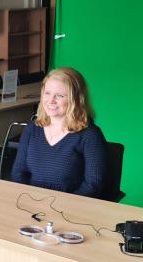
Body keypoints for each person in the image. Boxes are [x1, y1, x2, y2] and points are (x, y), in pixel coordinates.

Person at [10, 67, 108, 198]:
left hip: (70, 209)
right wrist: (30, 201)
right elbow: (18, 174)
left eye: (59, 96)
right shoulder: (31, 129)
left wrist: (60, 206)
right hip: (31, 204)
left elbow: (92, 185)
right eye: (47, 93)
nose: (50, 101)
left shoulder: (90, 135)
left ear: (76, 99)